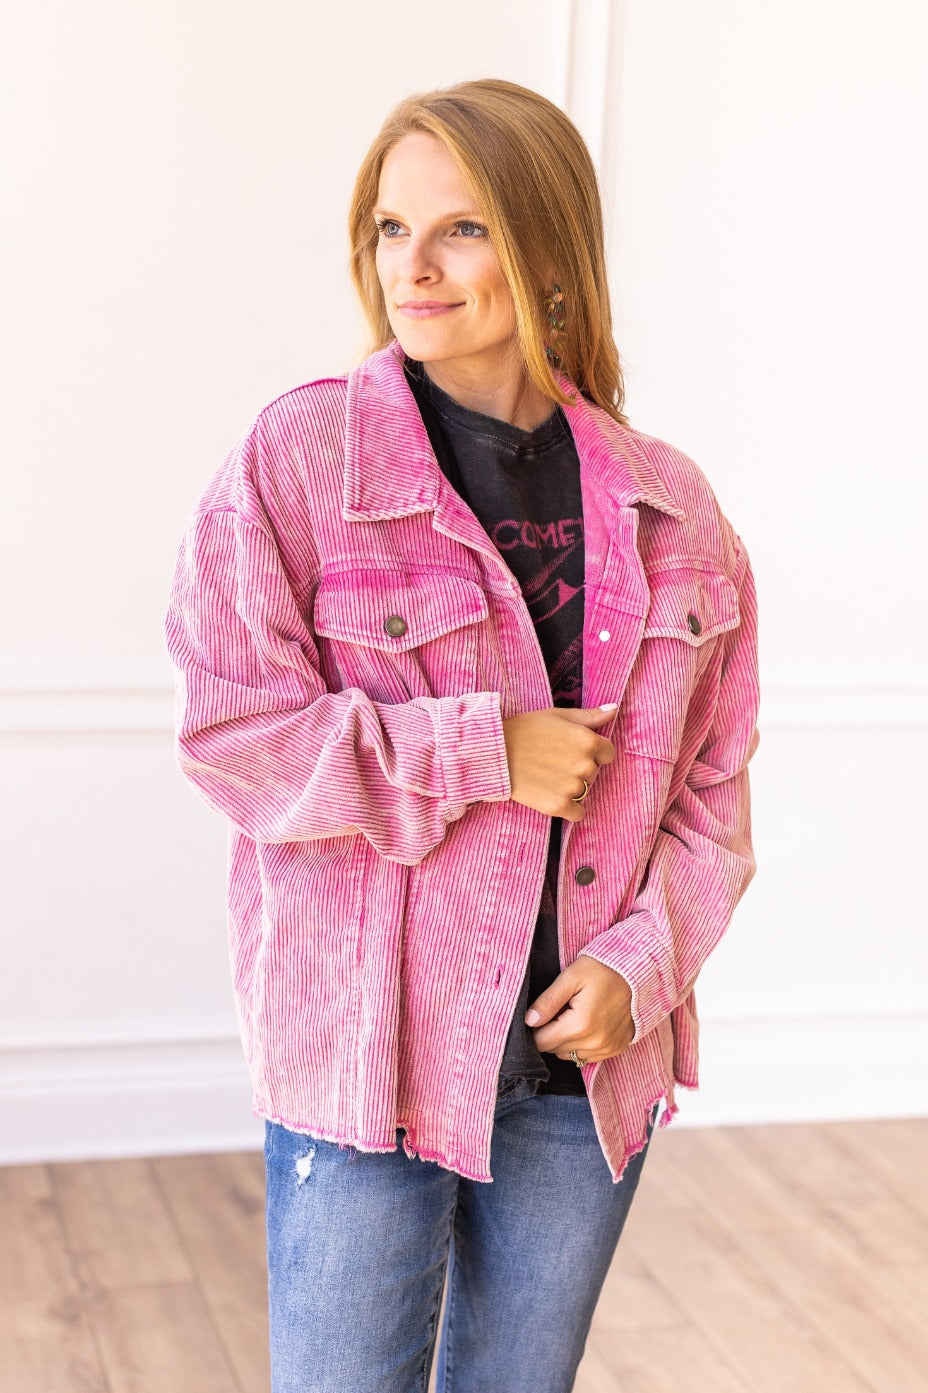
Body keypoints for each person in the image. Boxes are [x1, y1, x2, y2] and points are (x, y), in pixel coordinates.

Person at [165, 77, 759, 1393]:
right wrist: (487, 750)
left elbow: (714, 798)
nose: (412, 268)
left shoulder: (671, 505)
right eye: (391, 229)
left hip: (579, 1070)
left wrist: (641, 968)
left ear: (549, 251)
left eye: (462, 228)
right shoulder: (302, 459)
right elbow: (234, 737)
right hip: (367, 1061)